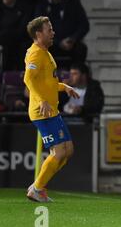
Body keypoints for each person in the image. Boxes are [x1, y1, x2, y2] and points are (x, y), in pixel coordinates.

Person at [24, 16, 80, 203]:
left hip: (52, 111)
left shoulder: (46, 52)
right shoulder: (35, 54)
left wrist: (64, 87)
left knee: (68, 150)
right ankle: (37, 188)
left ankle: (38, 185)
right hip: (42, 112)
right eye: (49, 30)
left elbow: (47, 82)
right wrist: (41, 100)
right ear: (38, 34)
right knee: (60, 152)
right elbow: (28, 80)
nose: (53, 32)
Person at [34, 0, 89, 69]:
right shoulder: (42, 6)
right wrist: (58, 42)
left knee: (81, 49)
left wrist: (73, 38)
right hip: (51, 44)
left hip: (70, 43)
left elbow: (84, 25)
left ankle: (75, 75)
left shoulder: (73, 3)